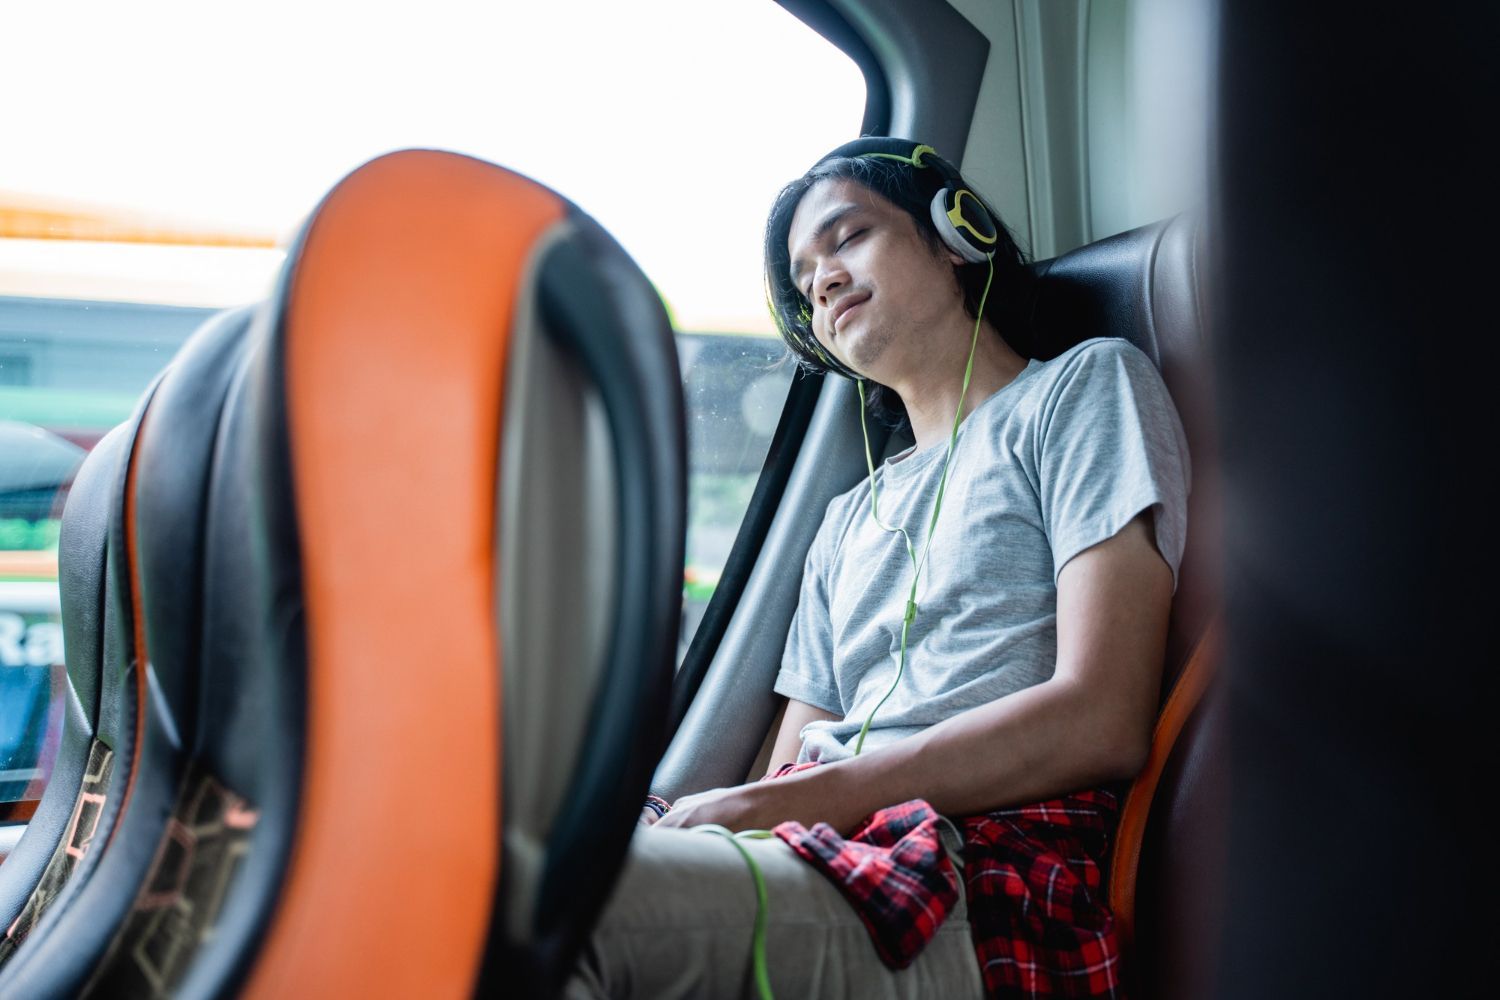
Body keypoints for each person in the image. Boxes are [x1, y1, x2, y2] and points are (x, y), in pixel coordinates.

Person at [563, 137, 1190, 999]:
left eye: (848, 237)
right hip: (828, 847)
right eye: (803, 279)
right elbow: (796, 757)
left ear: (956, 235)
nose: (821, 281)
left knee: (552, 915)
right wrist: (737, 811)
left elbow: (1102, 717)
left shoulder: (1082, 390)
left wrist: (769, 807)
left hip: (966, 868)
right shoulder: (844, 518)